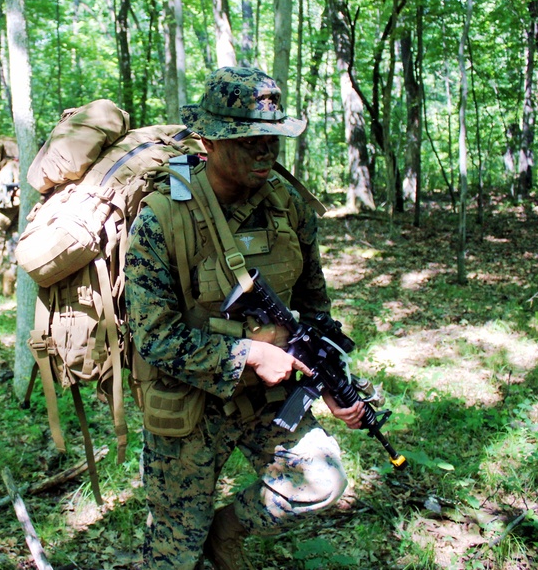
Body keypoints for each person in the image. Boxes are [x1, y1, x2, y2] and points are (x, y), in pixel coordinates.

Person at [125, 67, 366, 570]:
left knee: (322, 480)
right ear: (209, 142)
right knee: (173, 555)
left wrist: (328, 381)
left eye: (272, 139)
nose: (266, 152)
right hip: (187, 405)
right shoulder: (162, 217)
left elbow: (314, 307)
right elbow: (152, 337)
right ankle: (191, 541)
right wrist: (249, 353)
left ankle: (224, 533)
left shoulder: (289, 205)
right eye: (249, 141)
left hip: (266, 401)